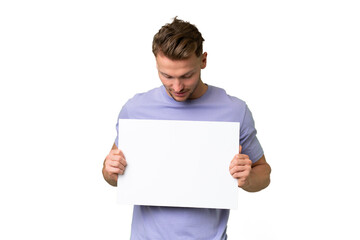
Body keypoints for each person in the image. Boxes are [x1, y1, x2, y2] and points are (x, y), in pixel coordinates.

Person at [102, 17, 271, 240]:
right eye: (167, 76)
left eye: (187, 75)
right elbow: (112, 176)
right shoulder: (136, 109)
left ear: (203, 60)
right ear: (156, 65)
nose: (177, 87)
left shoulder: (234, 111)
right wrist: (109, 169)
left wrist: (247, 178)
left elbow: (263, 172)